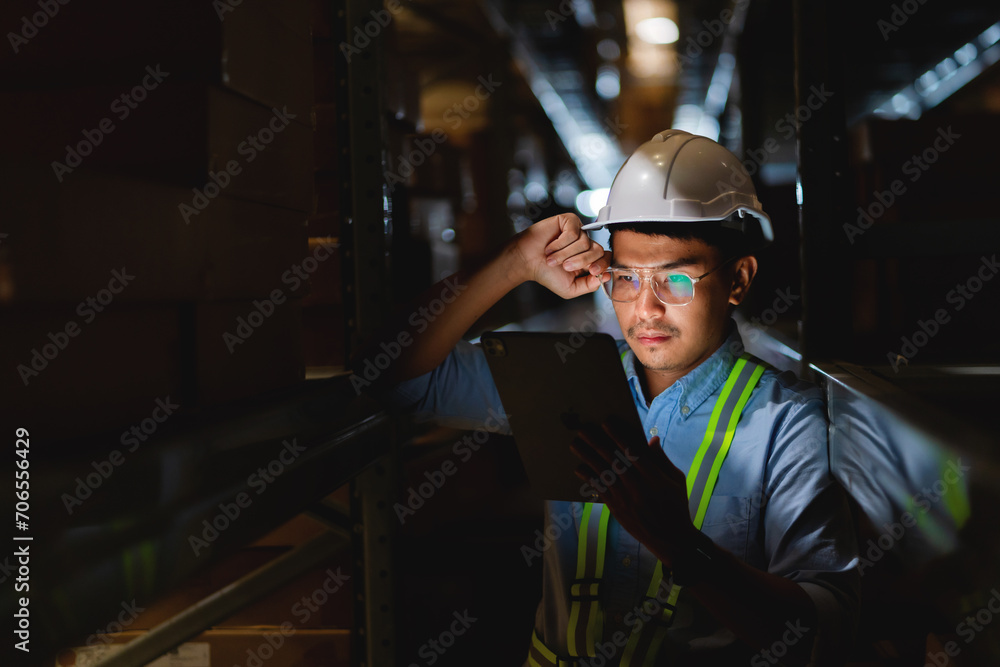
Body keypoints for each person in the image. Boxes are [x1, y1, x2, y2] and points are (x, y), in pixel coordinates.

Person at [357, 130, 859, 665]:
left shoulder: (788, 423)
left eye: (677, 281)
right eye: (625, 278)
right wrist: (513, 262)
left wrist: (681, 546)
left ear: (739, 279)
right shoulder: (562, 380)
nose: (646, 310)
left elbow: (819, 632)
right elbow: (392, 378)